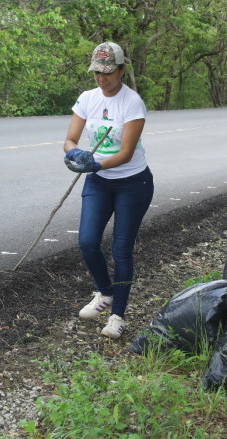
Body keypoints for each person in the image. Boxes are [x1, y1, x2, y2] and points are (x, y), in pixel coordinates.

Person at [63, 42, 154, 338]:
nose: (102, 79)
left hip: (132, 182)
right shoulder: (88, 99)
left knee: (121, 249)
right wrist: (75, 155)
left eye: (108, 73)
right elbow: (70, 139)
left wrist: (96, 166)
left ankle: (117, 316)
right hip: (98, 181)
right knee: (88, 241)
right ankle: (105, 293)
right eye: (97, 73)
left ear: (121, 70)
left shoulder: (132, 103)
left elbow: (126, 153)